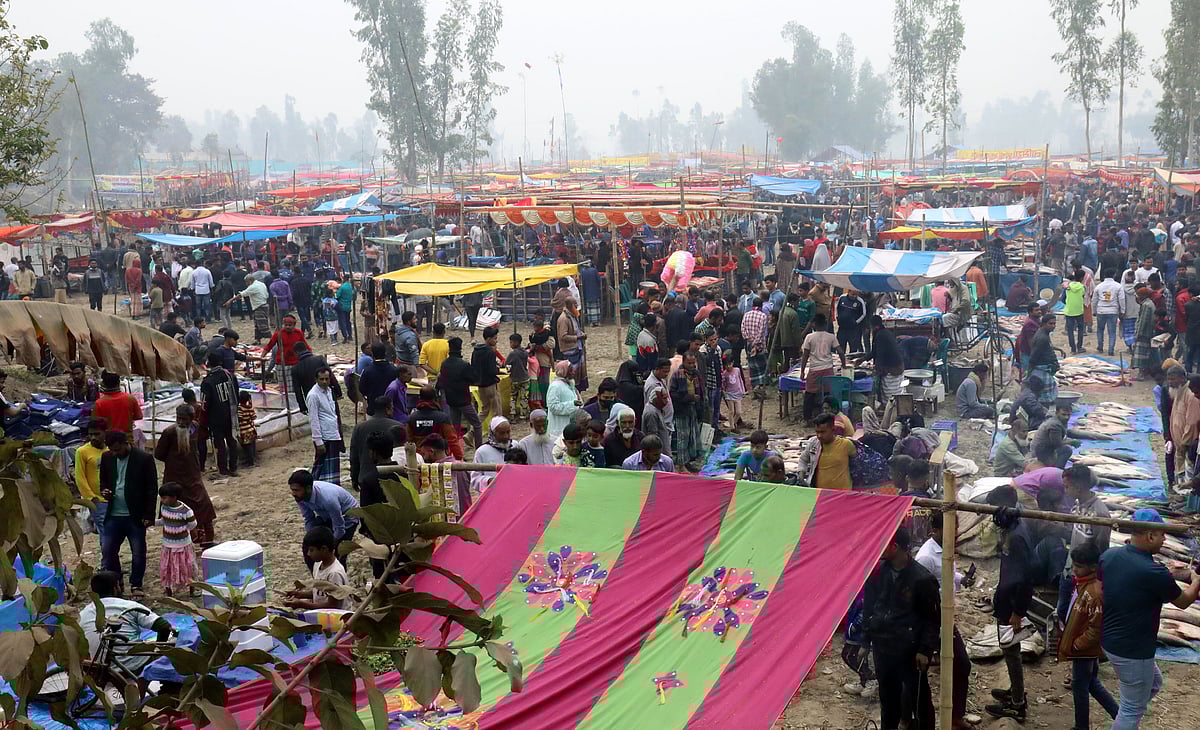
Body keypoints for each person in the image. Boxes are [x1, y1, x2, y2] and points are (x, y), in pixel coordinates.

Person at [1101, 508, 1200, 728]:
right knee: (1131, 710)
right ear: (1150, 536)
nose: (1165, 539)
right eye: (1162, 534)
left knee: (1154, 683)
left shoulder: (1110, 555)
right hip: (1133, 651)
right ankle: (1126, 718)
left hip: (1110, 641)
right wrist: (1196, 579)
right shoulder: (1154, 572)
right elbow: (1184, 602)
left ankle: (1126, 715)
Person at [862, 527, 939, 730]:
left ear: (894, 547)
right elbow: (869, 607)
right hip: (884, 648)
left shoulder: (922, 579)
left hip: (910, 651)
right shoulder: (878, 572)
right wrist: (865, 638)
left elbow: (931, 619)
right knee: (888, 701)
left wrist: (925, 650)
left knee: (919, 699)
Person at [912, 511, 974, 729]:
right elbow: (919, 591)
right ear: (935, 530)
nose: (954, 534)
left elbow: (944, 575)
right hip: (932, 620)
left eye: (955, 529)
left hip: (944, 617)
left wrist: (962, 579)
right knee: (922, 672)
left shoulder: (944, 549)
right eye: (950, 529)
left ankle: (955, 717)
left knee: (961, 665)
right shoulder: (926, 557)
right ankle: (920, 719)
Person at [984, 485, 1037, 722]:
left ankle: (1017, 703)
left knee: (1012, 651)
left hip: (1012, 604)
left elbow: (1025, 578)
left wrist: (1018, 611)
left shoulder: (1017, 537)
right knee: (1010, 651)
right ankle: (1015, 692)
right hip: (1006, 600)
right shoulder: (1014, 527)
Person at [1058, 542, 1119, 730]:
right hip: (1084, 647)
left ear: (1093, 567)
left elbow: (1096, 628)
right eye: (1074, 565)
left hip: (1085, 649)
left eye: (1079, 566)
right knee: (1091, 683)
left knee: (1080, 686)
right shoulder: (1083, 584)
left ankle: (1081, 726)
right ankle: (1120, 716)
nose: (1074, 569)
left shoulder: (1094, 592)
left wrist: (1077, 644)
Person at [99, 431, 158, 598]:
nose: (115, 453)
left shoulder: (144, 458)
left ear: (126, 443)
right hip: (114, 514)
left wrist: (149, 515)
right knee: (108, 550)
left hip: (135, 514)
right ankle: (117, 582)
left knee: (138, 552)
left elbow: (151, 489)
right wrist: (104, 491)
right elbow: (103, 480)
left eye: (118, 449)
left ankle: (136, 584)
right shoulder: (107, 457)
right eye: (112, 450)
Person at [79, 571, 174, 673]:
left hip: (100, 669)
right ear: (115, 589)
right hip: (136, 666)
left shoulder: (83, 614)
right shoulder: (128, 606)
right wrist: (158, 650)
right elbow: (164, 626)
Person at [153, 404, 217, 548]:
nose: (181, 422)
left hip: (193, 477)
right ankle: (176, 543)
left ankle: (207, 541)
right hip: (175, 479)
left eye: (184, 419)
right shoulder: (169, 433)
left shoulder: (195, 428)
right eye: (178, 419)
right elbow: (159, 454)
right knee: (173, 514)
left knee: (205, 509)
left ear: (191, 418)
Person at [288, 469, 360, 570]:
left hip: (347, 517)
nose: (293, 493)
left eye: (296, 490)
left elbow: (339, 527)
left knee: (337, 555)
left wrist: (332, 545)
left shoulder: (328, 499)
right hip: (326, 516)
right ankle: (318, 578)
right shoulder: (300, 497)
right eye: (292, 490)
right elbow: (309, 518)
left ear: (308, 488)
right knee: (309, 547)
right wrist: (311, 539)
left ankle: (339, 582)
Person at [283, 527, 353, 611]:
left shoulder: (334, 573)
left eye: (311, 550)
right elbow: (319, 593)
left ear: (324, 549)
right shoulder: (318, 564)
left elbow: (332, 606)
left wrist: (302, 604)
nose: (308, 554)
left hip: (337, 618)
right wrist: (299, 594)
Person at [438, 337, 483, 451]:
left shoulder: (444, 364)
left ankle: (455, 451)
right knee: (477, 424)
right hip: (463, 399)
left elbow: (441, 381)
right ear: (460, 349)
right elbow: (473, 379)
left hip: (451, 400)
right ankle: (479, 449)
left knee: (455, 427)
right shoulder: (464, 364)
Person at [200, 351, 240, 476]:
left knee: (219, 443)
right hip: (230, 413)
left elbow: (204, 404)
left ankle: (223, 468)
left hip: (215, 417)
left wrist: (203, 421)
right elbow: (236, 394)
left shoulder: (207, 381)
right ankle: (233, 466)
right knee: (231, 440)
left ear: (208, 363)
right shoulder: (230, 375)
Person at [799, 312, 844, 421]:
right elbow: (841, 352)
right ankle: (829, 415)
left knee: (810, 394)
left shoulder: (809, 337)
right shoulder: (831, 337)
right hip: (828, 369)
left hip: (814, 369)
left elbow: (805, 356)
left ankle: (807, 418)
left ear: (814, 324)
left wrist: (802, 371)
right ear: (825, 324)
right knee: (827, 393)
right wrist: (844, 365)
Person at [156, 482, 197, 597]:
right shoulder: (164, 507)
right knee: (167, 568)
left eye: (164, 498)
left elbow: (192, 525)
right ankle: (168, 591)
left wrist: (182, 532)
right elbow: (163, 521)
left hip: (183, 545)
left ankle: (193, 590)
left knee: (187, 567)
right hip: (167, 545)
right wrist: (152, 522)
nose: (162, 500)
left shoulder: (186, 511)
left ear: (174, 498)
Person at [307, 366, 344, 484]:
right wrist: (318, 441)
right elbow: (314, 419)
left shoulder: (329, 391)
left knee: (332, 468)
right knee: (320, 467)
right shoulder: (313, 395)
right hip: (324, 436)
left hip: (333, 433)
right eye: (321, 379)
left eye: (326, 379)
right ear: (316, 379)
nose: (324, 382)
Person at [670, 351, 705, 471]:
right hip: (681, 410)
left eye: (693, 362)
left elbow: (701, 390)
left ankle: (689, 460)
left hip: (693, 409)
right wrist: (689, 398)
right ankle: (681, 464)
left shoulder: (696, 374)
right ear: (684, 362)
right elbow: (673, 394)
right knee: (682, 437)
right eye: (689, 363)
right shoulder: (677, 375)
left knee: (692, 435)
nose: (691, 365)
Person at [408, 385, 464, 460]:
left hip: (419, 460)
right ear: (435, 399)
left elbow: (408, 441)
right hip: (439, 460)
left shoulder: (411, 418)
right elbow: (452, 441)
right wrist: (459, 458)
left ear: (419, 398)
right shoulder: (443, 418)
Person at [75, 417, 109, 540]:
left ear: (105, 432)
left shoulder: (111, 449)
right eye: (91, 434)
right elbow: (80, 477)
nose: (93, 437)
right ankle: (108, 558)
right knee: (105, 533)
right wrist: (91, 498)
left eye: (97, 434)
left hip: (115, 498)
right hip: (98, 500)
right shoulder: (82, 451)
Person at [804, 414, 854, 490]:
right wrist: (801, 475)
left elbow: (858, 462)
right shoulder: (814, 443)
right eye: (817, 432)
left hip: (842, 494)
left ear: (833, 430)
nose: (819, 435)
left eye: (823, 432)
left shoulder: (846, 444)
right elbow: (803, 459)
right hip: (820, 494)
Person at [262, 314, 309, 389]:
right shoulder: (278, 334)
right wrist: (262, 356)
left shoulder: (298, 333)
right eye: (286, 325)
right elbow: (269, 346)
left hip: (295, 363)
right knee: (284, 388)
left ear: (294, 325)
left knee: (295, 386)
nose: (287, 327)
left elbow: (305, 346)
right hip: (282, 364)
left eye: (290, 325)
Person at [473, 326, 504, 434]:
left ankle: (472, 432)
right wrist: (497, 369)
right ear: (489, 338)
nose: (496, 340)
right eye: (495, 338)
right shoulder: (490, 352)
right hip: (490, 384)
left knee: (484, 410)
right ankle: (496, 432)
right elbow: (491, 371)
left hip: (481, 384)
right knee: (497, 412)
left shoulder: (476, 351)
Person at [93, 372, 142, 438]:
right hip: (126, 440)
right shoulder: (130, 398)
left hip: (109, 441)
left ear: (103, 383)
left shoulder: (99, 403)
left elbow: (95, 424)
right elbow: (139, 416)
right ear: (119, 382)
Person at [1028, 314, 1060, 407]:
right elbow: (1034, 355)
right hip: (1041, 369)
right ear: (1044, 324)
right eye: (1051, 324)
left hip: (1045, 368)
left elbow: (1048, 349)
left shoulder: (1044, 334)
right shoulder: (1042, 338)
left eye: (1054, 323)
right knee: (1044, 397)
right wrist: (1029, 371)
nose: (1053, 326)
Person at [1094, 269, 1125, 355]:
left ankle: (1100, 347)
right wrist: (1122, 310)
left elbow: (1094, 300)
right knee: (1112, 332)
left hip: (1101, 310)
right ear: (1114, 275)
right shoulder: (1118, 286)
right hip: (1113, 311)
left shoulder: (1099, 286)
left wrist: (1094, 310)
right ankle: (1111, 350)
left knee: (1100, 329)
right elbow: (1121, 299)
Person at [546, 361, 580, 441]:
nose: (573, 372)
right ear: (564, 371)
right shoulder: (555, 386)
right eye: (571, 370)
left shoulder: (569, 384)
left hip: (570, 424)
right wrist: (572, 404)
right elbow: (553, 407)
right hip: (558, 427)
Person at [360, 342, 399, 409]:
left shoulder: (367, 371)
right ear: (385, 353)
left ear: (372, 354)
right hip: (391, 407)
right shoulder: (394, 369)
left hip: (373, 406)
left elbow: (362, 389)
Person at [506, 333, 530, 422]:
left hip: (515, 378)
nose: (510, 344)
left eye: (511, 342)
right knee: (524, 397)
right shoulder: (524, 352)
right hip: (525, 378)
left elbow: (507, 364)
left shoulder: (513, 354)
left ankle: (512, 415)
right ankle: (523, 415)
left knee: (513, 397)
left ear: (516, 342)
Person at [1063, 270, 1087, 354]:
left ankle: (1073, 349)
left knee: (1070, 331)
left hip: (1069, 310)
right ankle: (1079, 347)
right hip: (1079, 310)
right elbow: (1083, 296)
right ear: (1082, 278)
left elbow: (1063, 298)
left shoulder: (1067, 287)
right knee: (1080, 330)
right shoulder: (1083, 287)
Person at [236, 390, 258, 468]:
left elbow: (239, 418)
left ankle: (250, 462)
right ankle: (252, 460)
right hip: (251, 429)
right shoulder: (250, 407)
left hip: (244, 431)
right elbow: (254, 417)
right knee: (252, 446)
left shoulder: (239, 408)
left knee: (246, 447)